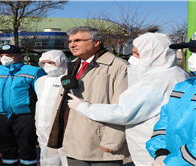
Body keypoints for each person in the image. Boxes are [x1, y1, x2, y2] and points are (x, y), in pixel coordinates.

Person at [67, 33, 191, 165]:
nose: (133, 58)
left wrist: (84, 108)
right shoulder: (175, 73)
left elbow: (124, 112)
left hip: (152, 147)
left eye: (137, 54)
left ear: (155, 54)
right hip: (161, 145)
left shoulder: (159, 80)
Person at [47, 26, 129, 166]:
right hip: (73, 140)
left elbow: (123, 107)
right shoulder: (72, 66)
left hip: (100, 144)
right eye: (70, 41)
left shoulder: (119, 67)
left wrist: (112, 141)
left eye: (78, 40)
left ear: (96, 42)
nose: (72, 44)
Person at [0, 45, 46, 166]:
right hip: (0, 116)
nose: (4, 58)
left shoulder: (34, 71)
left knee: (26, 145)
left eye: (9, 55)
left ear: (19, 57)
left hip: (25, 116)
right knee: (5, 146)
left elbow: (42, 94)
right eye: (2, 55)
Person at [146, 32, 196, 166]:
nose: (192, 58)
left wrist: (172, 162)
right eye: (192, 52)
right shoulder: (184, 86)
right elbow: (166, 120)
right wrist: (161, 152)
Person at [35, 50, 68, 166]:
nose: (47, 65)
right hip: (41, 126)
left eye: (51, 62)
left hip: (61, 127)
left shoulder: (68, 80)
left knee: (65, 157)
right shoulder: (40, 81)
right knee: (46, 155)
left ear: (62, 62)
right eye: (44, 63)